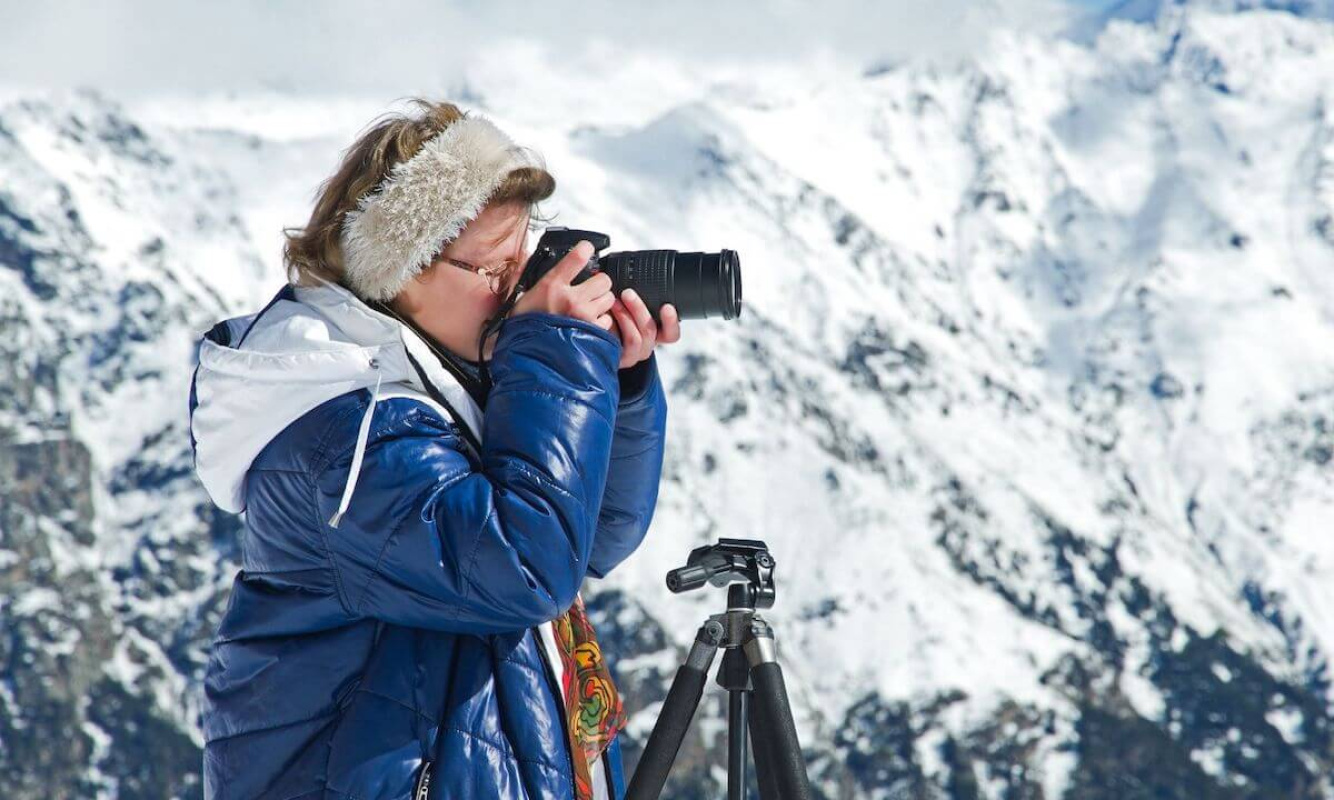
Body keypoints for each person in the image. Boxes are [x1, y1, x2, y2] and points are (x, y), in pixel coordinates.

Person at [187, 98, 676, 799]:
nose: (519, 292)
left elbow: (590, 540)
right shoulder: (341, 432)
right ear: (398, 274)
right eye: (491, 271)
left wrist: (616, 388)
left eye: (523, 259)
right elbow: (524, 568)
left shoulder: (445, 380)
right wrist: (554, 357)